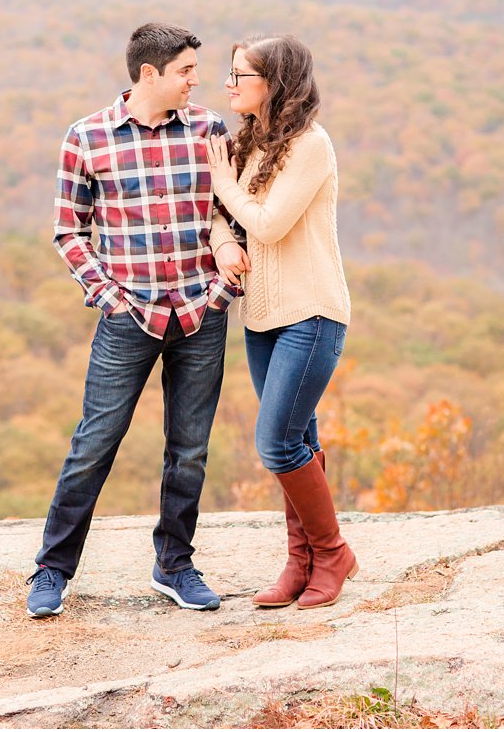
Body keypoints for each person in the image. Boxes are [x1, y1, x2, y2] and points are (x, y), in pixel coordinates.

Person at [25, 22, 249, 619]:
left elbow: (233, 211)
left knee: (191, 448)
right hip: (129, 317)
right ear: (149, 74)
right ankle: (52, 570)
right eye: (185, 72)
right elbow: (69, 230)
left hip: (203, 312)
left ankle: (175, 564)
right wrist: (109, 296)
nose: (196, 83)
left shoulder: (209, 130)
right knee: (95, 442)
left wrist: (224, 282)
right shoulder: (87, 137)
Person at [205, 35, 355, 610]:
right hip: (262, 316)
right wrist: (221, 246)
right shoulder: (246, 145)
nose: (228, 85)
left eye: (239, 76)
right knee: (300, 436)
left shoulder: (310, 146)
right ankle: (302, 562)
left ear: (274, 84)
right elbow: (222, 221)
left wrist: (223, 187)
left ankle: (333, 552)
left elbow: (265, 225)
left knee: (276, 442)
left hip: (311, 313)